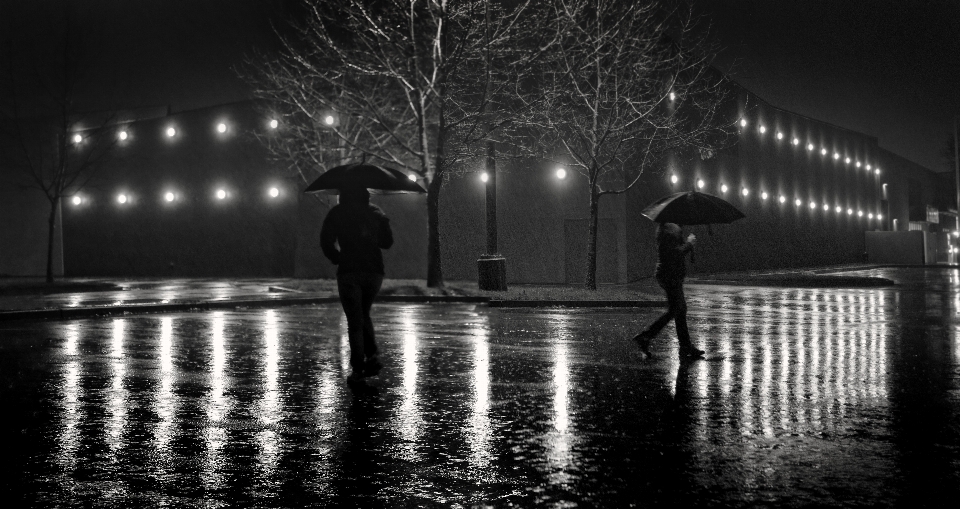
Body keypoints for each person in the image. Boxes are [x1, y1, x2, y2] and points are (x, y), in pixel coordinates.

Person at [320, 186, 394, 383]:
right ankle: (372, 356)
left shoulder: (337, 212)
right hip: (374, 271)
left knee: (355, 321)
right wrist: (377, 227)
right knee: (363, 313)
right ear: (366, 194)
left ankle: (358, 368)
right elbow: (387, 242)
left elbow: (325, 241)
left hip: (349, 270)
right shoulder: (376, 212)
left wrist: (337, 258)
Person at [633, 222, 705, 359]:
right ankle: (646, 336)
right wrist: (689, 244)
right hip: (669, 275)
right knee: (676, 309)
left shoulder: (672, 229)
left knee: (680, 309)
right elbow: (675, 253)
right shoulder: (668, 230)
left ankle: (685, 346)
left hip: (672, 275)